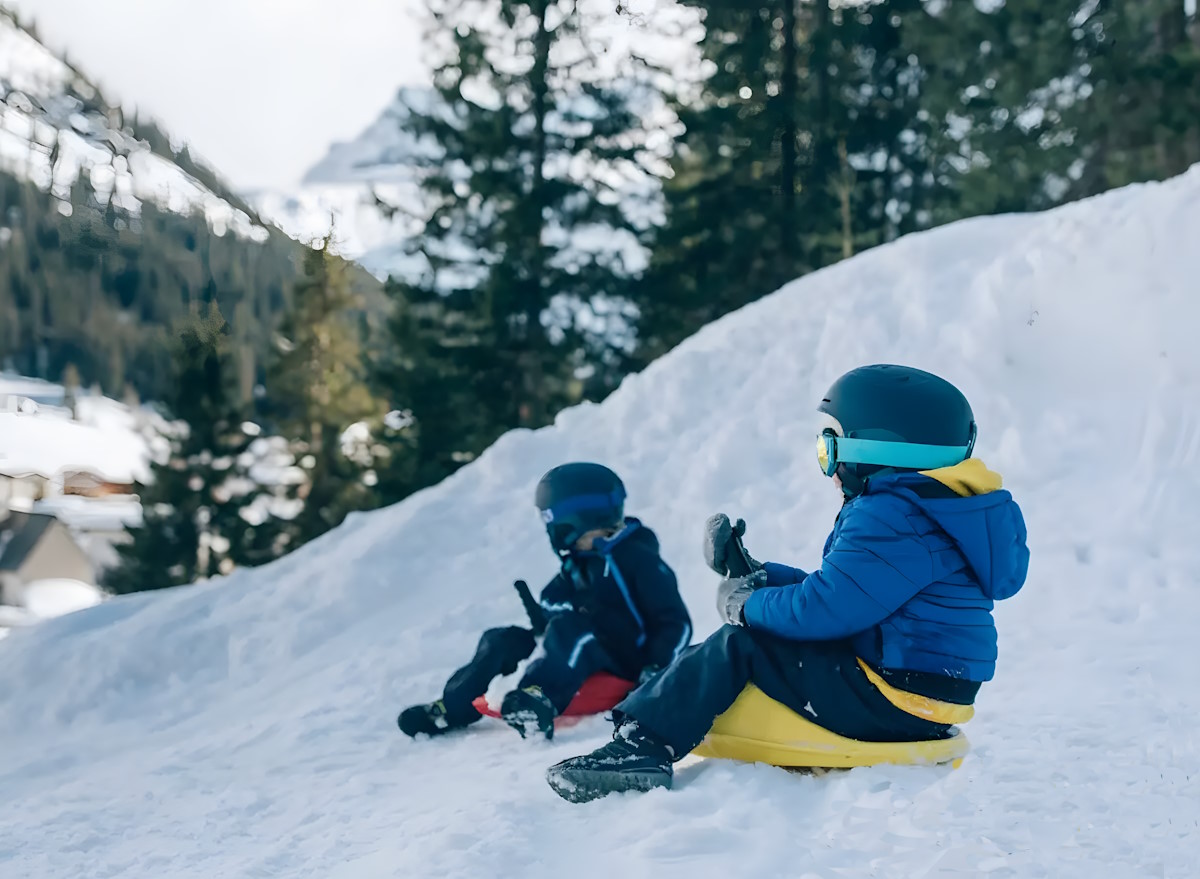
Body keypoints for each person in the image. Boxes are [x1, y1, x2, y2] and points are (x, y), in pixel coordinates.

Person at [546, 364, 1030, 802]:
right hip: (927, 691)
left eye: (829, 446)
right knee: (760, 634)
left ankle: (641, 747)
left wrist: (746, 608)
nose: (827, 464)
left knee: (738, 645)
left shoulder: (890, 514)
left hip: (891, 697)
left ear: (872, 447)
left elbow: (826, 610)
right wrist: (762, 576)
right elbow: (854, 596)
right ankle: (650, 728)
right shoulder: (934, 510)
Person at [398, 462, 693, 740]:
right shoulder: (578, 562)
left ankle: (536, 699)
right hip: (580, 646)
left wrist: (656, 668)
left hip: (628, 661)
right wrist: (544, 622)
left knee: (572, 632)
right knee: (501, 639)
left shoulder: (638, 560)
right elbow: (558, 603)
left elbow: (675, 621)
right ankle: (453, 707)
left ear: (579, 521)